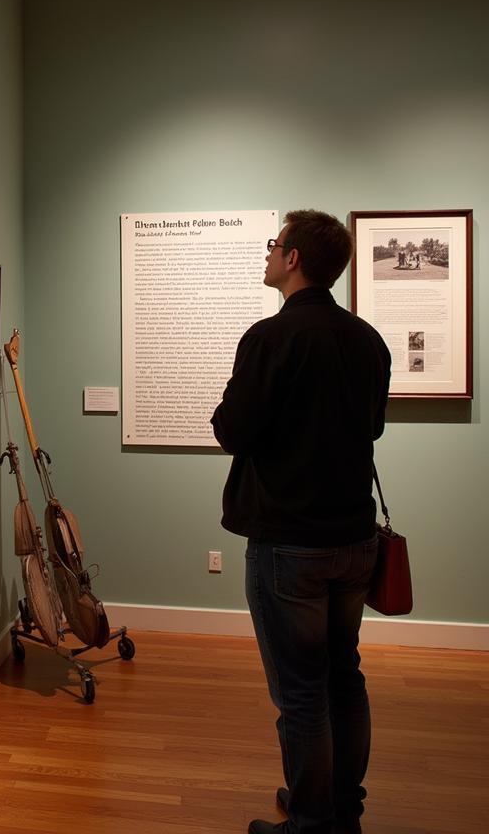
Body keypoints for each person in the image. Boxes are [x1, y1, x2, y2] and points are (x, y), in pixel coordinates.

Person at [210, 210, 391, 834]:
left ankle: (313, 821)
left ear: (292, 259)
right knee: (344, 674)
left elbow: (232, 430)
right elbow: (371, 428)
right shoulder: (368, 341)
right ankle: (343, 808)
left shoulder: (270, 338)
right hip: (354, 541)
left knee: (301, 689)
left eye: (273, 245)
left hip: (290, 544)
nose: (268, 255)